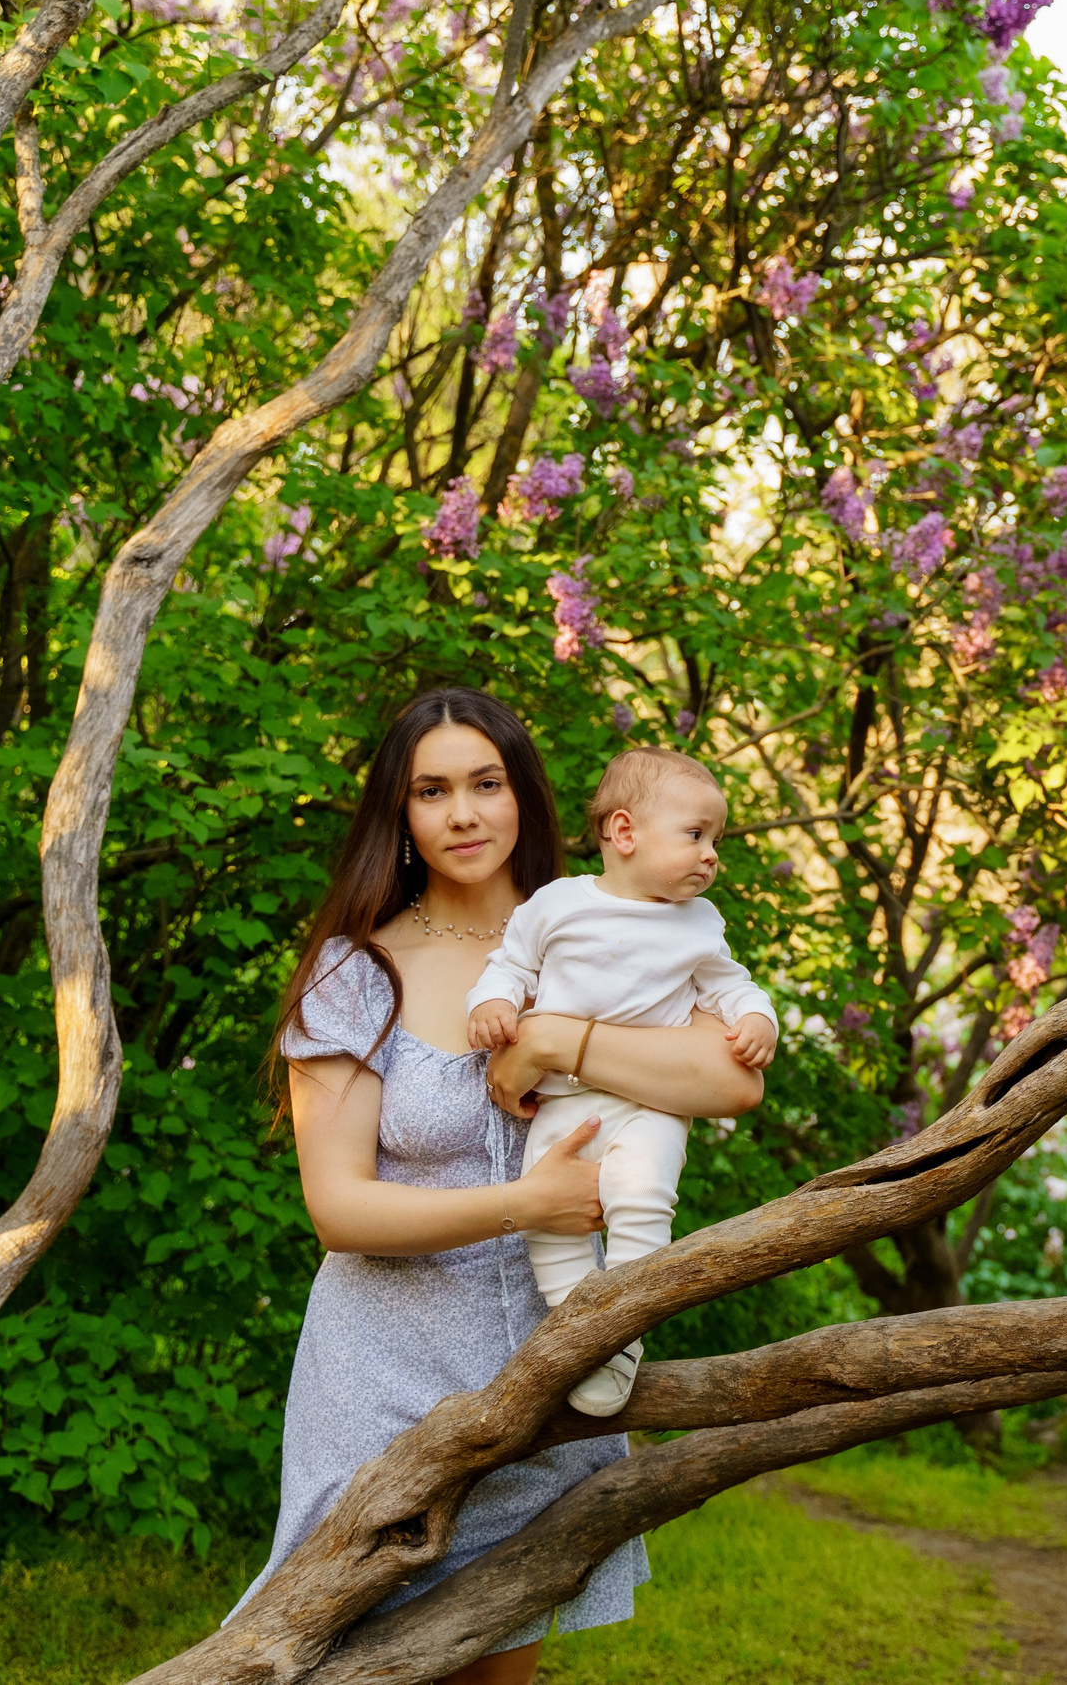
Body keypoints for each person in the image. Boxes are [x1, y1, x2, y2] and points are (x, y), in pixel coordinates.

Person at [233, 687, 763, 1685]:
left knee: (492, 1668)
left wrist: (557, 1037)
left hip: (544, 1371)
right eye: (432, 791)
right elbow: (338, 1209)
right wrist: (526, 1204)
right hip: (382, 1377)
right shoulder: (357, 970)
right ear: (399, 812)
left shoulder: (602, 924)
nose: (464, 813)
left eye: (486, 783)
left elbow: (731, 1078)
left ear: (524, 793)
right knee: (339, 1658)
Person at [467, 747, 779, 1416]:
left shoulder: (699, 922)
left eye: (715, 840)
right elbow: (510, 966)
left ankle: (624, 1328)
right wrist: (492, 1004)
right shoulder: (558, 904)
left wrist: (758, 1019)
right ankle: (582, 1334)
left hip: (651, 1106)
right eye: (695, 834)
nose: (711, 855)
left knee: (642, 1202)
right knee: (548, 1227)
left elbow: (731, 986)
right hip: (564, 1104)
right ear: (625, 831)